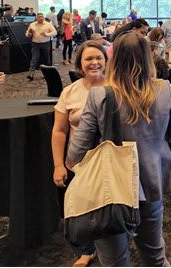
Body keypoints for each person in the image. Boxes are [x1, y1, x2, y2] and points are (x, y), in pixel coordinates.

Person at [66, 32, 171, 266]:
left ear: (114, 58)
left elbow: (76, 151)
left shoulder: (99, 95)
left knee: (115, 261)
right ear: (147, 57)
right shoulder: (165, 90)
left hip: (109, 190)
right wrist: (159, 161)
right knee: (154, 255)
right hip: (152, 183)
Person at [51, 41, 107, 267]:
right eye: (88, 59)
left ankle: (110, 245)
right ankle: (86, 250)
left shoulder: (116, 86)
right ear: (80, 64)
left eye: (98, 58)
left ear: (106, 61)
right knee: (78, 211)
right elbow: (59, 131)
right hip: (79, 163)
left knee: (108, 208)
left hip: (108, 162)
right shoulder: (70, 92)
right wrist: (58, 165)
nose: (94, 63)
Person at [26, 13, 57, 81]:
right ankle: (31, 74)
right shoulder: (32, 24)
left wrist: (47, 34)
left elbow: (55, 32)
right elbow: (27, 33)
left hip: (45, 44)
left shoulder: (48, 24)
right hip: (35, 44)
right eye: (39, 17)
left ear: (44, 18)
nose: (41, 18)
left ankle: (47, 74)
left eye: (42, 17)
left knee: (46, 59)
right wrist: (29, 34)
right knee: (34, 58)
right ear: (36, 18)